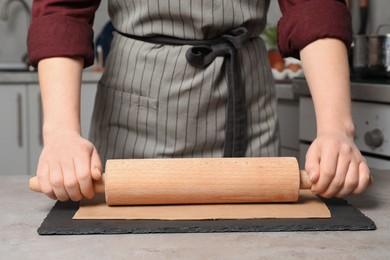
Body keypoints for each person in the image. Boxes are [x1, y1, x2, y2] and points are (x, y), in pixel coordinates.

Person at [27, 0, 371, 202]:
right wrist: (60, 133)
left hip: (247, 101)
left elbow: (315, 6)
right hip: (136, 104)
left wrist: (336, 128)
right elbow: (62, 11)